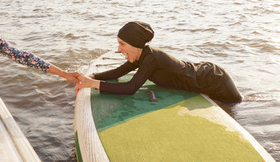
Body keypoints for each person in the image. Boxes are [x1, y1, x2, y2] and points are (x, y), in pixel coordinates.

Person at [76, 21, 242, 103]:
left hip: (215, 80)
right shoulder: (141, 55)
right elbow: (117, 72)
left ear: (135, 44)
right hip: (204, 74)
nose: (119, 49)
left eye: (122, 44)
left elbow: (129, 88)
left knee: (234, 107)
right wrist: (89, 76)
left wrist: (92, 84)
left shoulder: (151, 58)